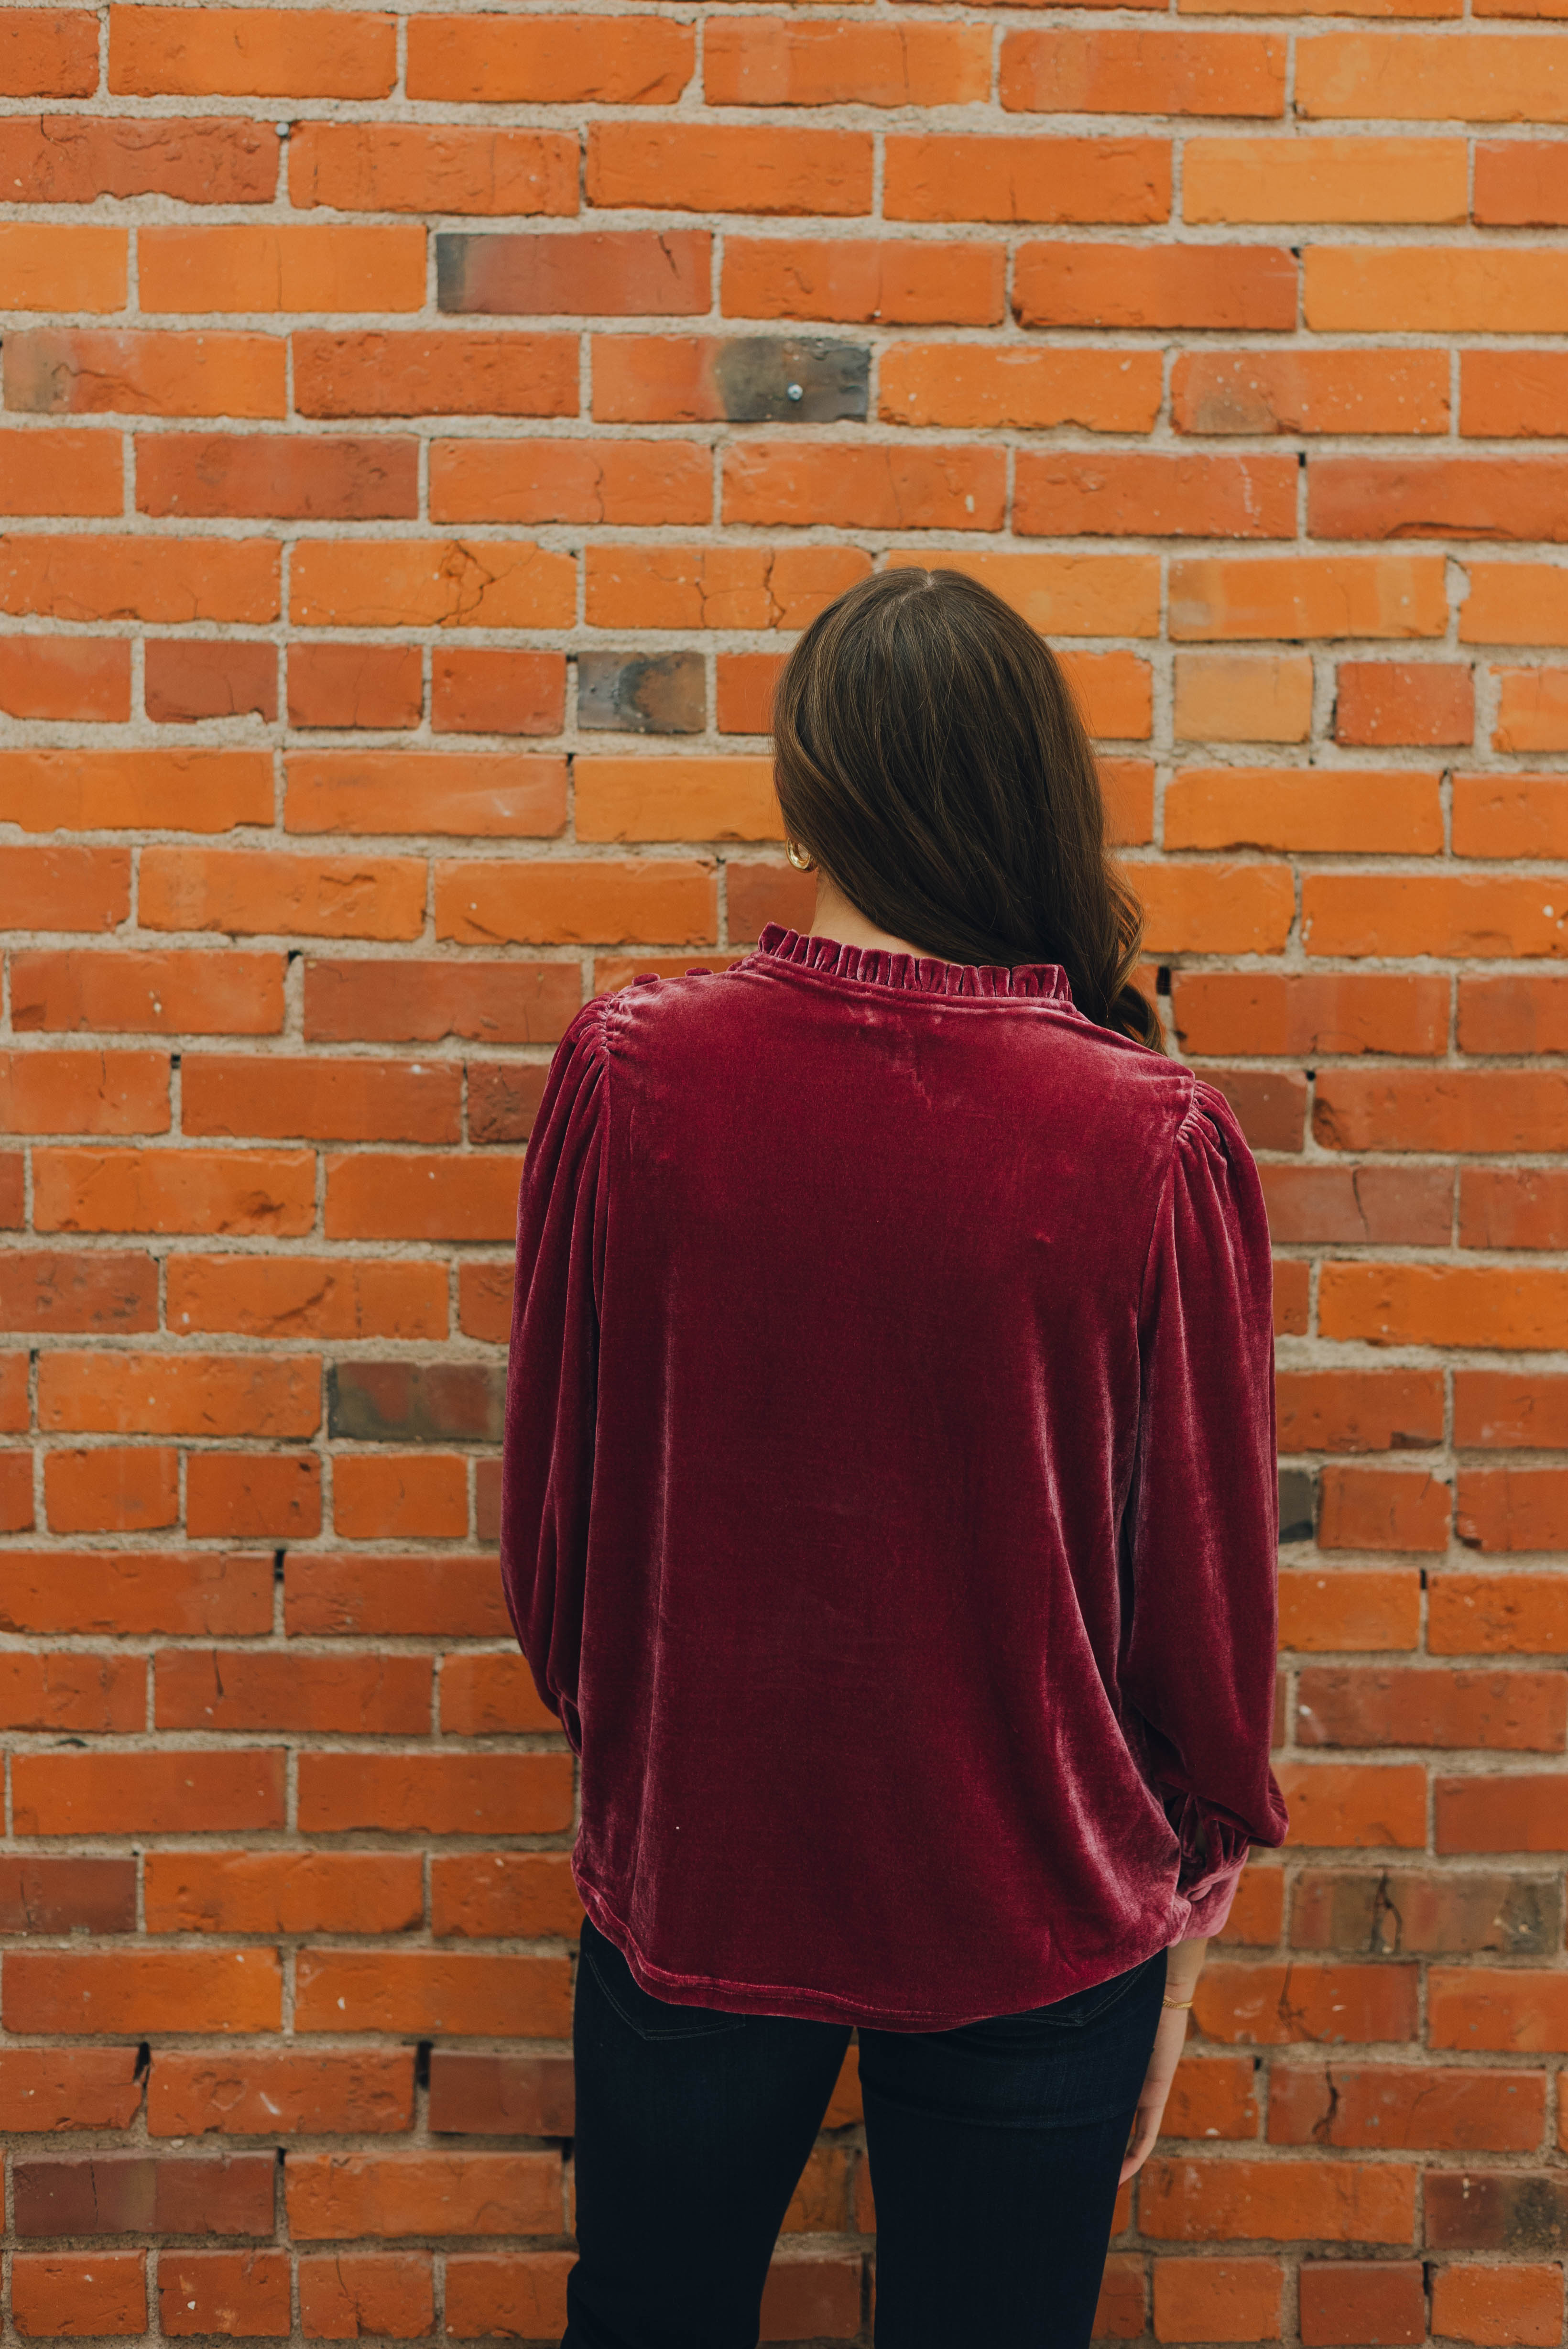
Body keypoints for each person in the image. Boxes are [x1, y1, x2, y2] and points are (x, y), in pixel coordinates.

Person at [500, 564, 1286, 2349]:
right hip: (1039, 1903)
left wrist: (643, 1753)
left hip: (702, 1867)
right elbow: (1204, 1600)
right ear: (1029, 781)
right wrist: (1191, 1897)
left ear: (808, 785)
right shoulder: (1153, 1134)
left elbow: (556, 1515)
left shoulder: (634, 1073)